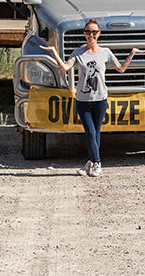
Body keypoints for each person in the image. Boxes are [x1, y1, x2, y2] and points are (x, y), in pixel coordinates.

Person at [40, 19, 137, 177]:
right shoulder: (78, 52)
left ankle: (90, 163)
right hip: (83, 100)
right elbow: (65, 68)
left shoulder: (105, 52)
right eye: (88, 32)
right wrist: (54, 52)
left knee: (96, 132)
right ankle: (97, 163)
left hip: (100, 99)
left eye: (94, 32)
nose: (91, 35)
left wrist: (131, 53)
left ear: (99, 34)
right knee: (90, 132)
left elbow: (121, 69)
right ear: (84, 34)